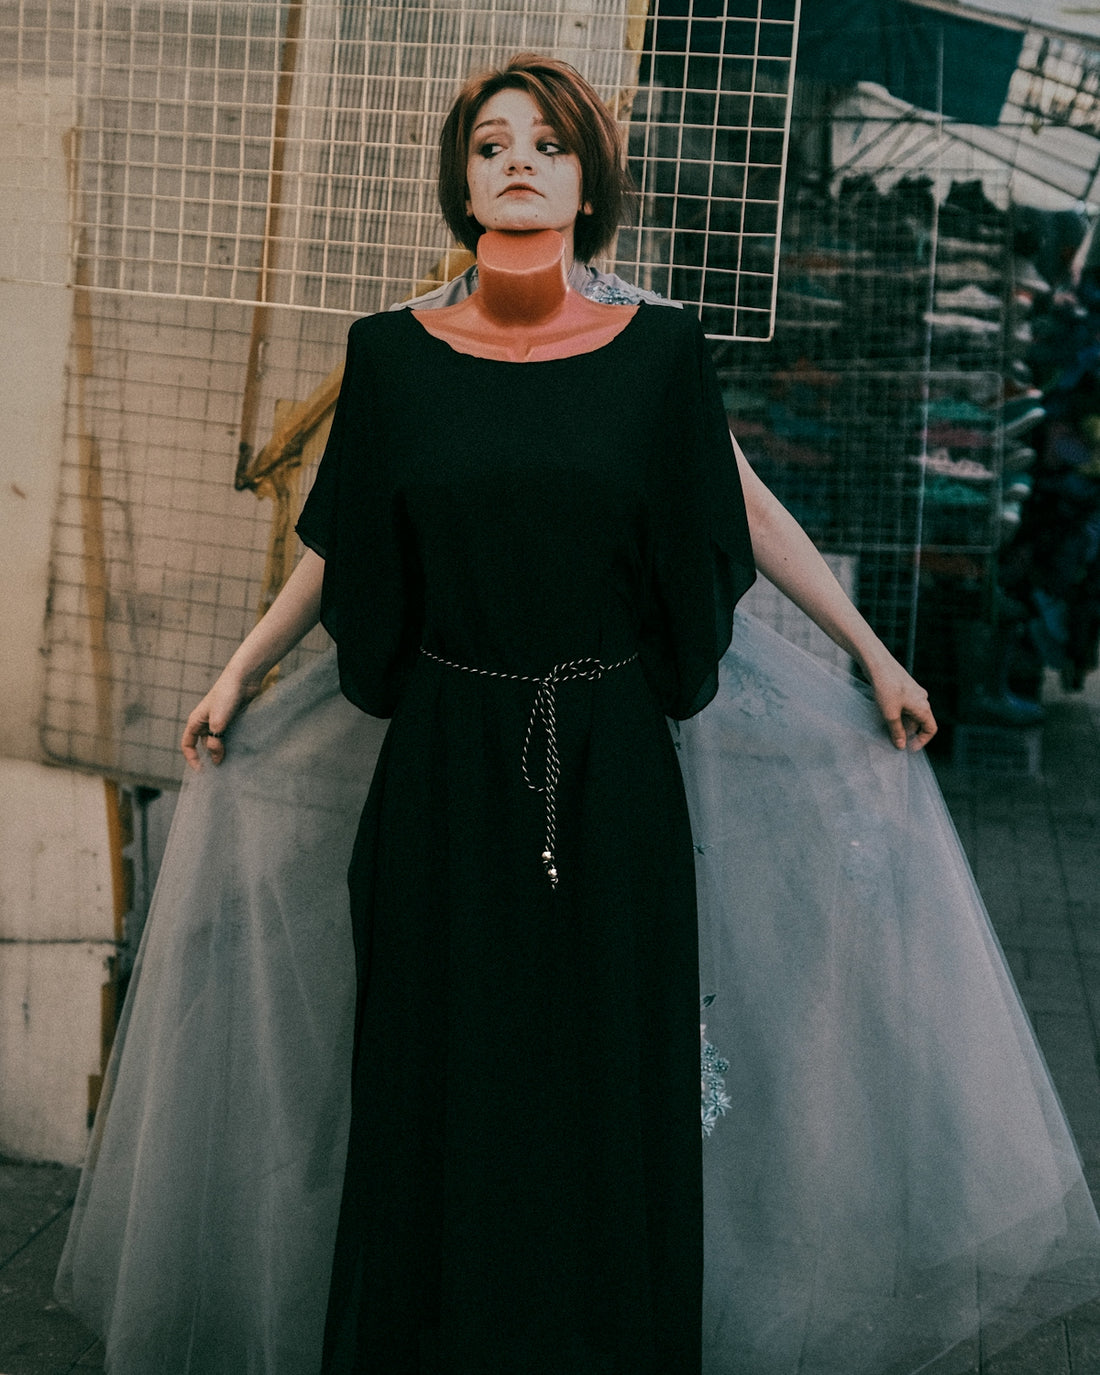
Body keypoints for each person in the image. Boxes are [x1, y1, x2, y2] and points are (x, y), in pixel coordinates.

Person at [58, 53, 1100, 1375]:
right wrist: (236, 675)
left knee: (605, 1086)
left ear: (590, 176)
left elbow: (740, 508)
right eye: (491, 144)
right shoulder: (391, 353)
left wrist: (875, 656)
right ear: (462, 175)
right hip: (439, 764)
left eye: (547, 144)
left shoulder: (659, 350)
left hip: (612, 769)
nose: (518, 164)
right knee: (439, 1082)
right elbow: (342, 540)